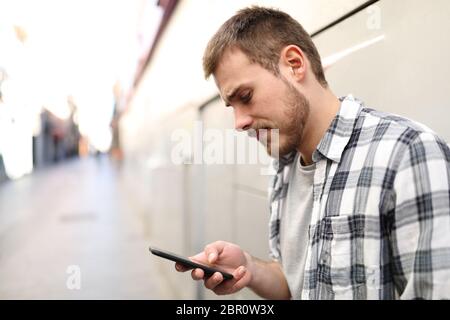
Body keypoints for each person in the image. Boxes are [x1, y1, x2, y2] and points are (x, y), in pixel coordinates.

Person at [175, 6, 450, 299]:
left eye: (246, 97)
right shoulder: (284, 167)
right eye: (233, 107)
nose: (239, 123)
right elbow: (295, 284)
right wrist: (249, 268)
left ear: (294, 64)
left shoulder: (408, 153)